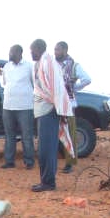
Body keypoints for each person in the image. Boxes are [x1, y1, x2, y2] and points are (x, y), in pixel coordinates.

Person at [30, 39, 73, 192]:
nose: (31, 53)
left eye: (32, 50)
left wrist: (61, 110)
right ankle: (46, 180)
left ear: (39, 48)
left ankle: (48, 182)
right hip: (44, 110)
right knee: (44, 148)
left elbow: (57, 88)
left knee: (47, 148)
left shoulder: (47, 62)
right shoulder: (42, 62)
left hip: (49, 110)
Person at [54, 41, 91, 174]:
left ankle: (69, 163)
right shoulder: (53, 64)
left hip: (68, 104)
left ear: (65, 50)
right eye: (55, 50)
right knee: (54, 132)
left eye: (57, 50)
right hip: (53, 103)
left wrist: (73, 88)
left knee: (69, 133)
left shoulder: (74, 65)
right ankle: (53, 160)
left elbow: (87, 79)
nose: (55, 52)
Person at [0, 44, 36, 170]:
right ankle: (9, 161)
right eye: (10, 52)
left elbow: (34, 84)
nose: (10, 54)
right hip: (8, 106)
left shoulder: (29, 66)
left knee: (26, 135)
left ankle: (29, 161)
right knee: (9, 135)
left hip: (25, 106)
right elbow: (5, 83)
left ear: (20, 53)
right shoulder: (6, 66)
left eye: (12, 52)